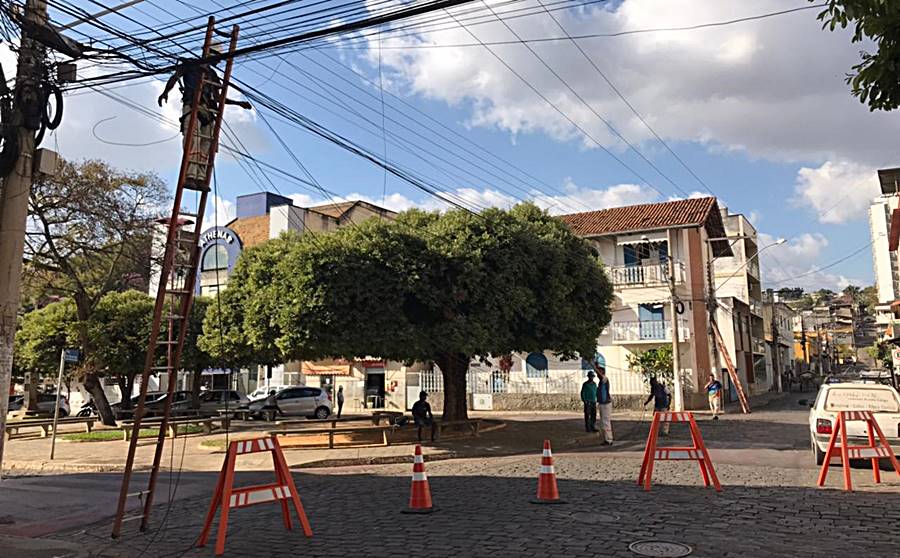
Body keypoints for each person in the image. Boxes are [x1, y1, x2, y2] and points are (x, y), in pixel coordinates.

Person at [157, 42, 252, 192]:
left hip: (208, 111)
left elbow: (218, 98)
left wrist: (238, 103)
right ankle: (190, 175)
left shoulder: (212, 75)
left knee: (206, 145)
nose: (218, 62)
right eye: (217, 58)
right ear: (210, 53)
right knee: (193, 140)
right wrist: (165, 92)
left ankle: (201, 177)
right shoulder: (191, 64)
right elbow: (175, 77)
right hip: (192, 106)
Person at [596, 366, 613, 445]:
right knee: (603, 422)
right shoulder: (601, 382)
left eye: (599, 372)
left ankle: (608, 439)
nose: (597, 374)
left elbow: (600, 374)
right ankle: (607, 438)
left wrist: (594, 366)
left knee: (606, 422)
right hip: (602, 403)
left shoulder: (605, 379)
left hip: (606, 403)